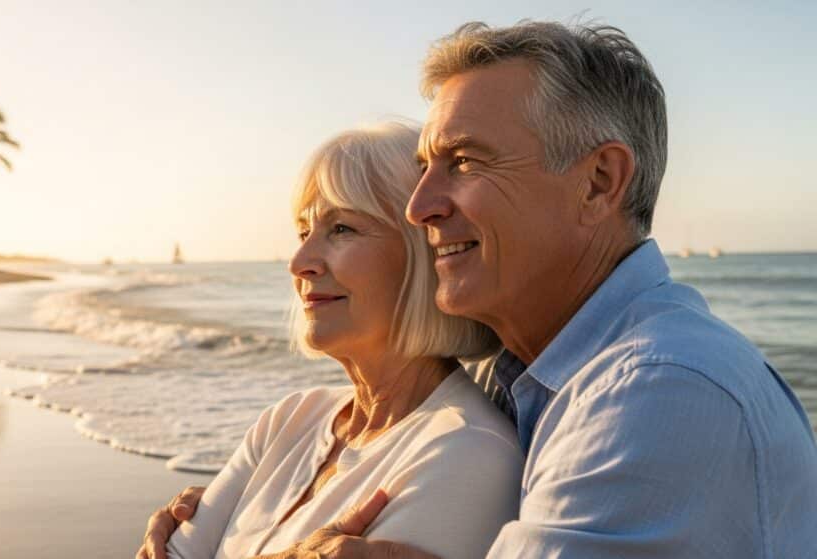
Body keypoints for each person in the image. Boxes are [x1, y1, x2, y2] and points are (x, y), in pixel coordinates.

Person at [141, 20, 817, 558]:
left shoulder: (656, 390)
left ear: (598, 183)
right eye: (425, 166)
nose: (421, 207)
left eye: (463, 162)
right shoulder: (521, 376)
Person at [147, 123, 522, 559]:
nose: (299, 262)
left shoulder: (469, 454)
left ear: (425, 251)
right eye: (303, 233)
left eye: (341, 228)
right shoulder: (289, 419)